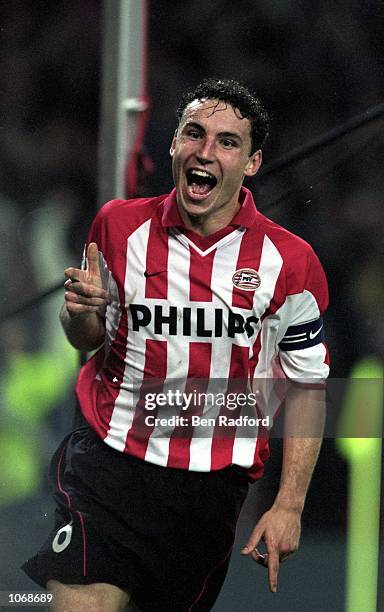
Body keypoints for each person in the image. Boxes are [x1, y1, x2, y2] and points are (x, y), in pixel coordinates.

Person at [23, 78, 329, 611]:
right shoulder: (118, 226)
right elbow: (90, 340)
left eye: (227, 142)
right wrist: (79, 318)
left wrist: (290, 505)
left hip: (208, 491)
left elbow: (307, 388)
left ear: (252, 163)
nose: (205, 151)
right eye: (194, 133)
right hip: (109, 466)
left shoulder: (290, 261)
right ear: (172, 145)